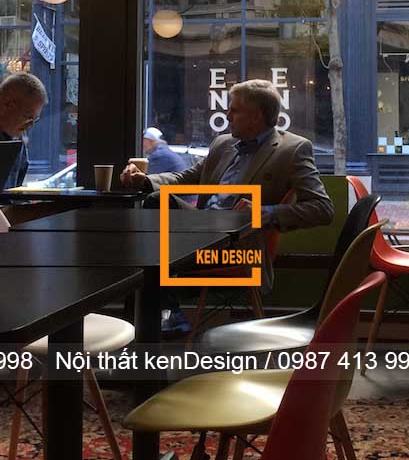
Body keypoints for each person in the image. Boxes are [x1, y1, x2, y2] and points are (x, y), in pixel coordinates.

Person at [121, 80, 334, 334]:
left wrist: (263, 213)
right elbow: (186, 178)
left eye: (234, 110)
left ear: (256, 116)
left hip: (238, 250)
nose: (227, 116)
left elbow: (323, 208)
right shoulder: (222, 144)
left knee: (146, 250)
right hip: (197, 234)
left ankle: (148, 322)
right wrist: (145, 180)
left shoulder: (293, 150)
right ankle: (159, 317)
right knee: (149, 236)